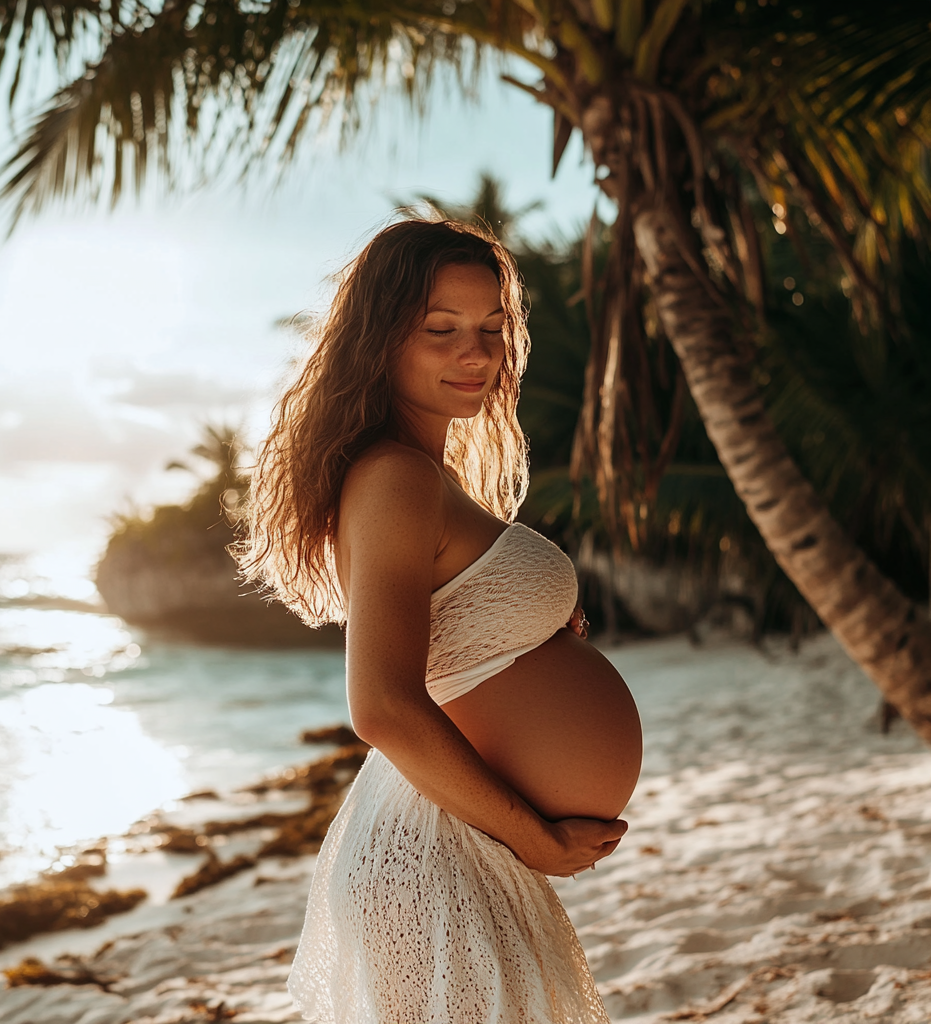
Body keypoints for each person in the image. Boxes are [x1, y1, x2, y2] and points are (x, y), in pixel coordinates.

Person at [240, 217, 642, 1023]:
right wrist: (533, 835)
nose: (478, 353)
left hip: (454, 849)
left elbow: (455, 652)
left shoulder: (422, 474)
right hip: (429, 860)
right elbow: (382, 705)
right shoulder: (394, 477)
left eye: (493, 329)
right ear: (381, 341)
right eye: (442, 331)